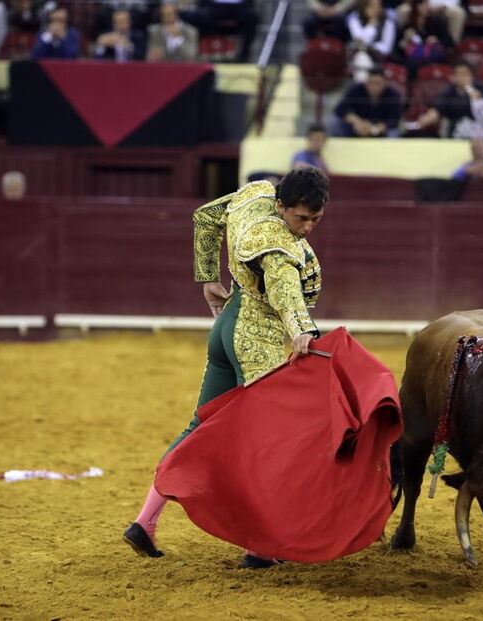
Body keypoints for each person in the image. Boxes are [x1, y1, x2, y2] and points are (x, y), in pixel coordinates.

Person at [123, 168, 329, 569]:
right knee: (266, 444)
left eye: (315, 220)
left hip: (225, 329)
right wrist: (302, 330)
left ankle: (144, 522)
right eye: (301, 218)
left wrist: (206, 278)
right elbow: (285, 286)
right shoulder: (278, 242)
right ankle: (257, 548)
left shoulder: (254, 194)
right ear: (282, 206)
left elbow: (205, 217)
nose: (306, 228)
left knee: (200, 427)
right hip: (256, 342)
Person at [416, 62, 483, 138]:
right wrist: (427, 118)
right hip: (456, 133)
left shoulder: (482, 89)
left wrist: (473, 94)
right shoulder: (449, 92)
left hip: (479, 132)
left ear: (471, 76)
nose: (462, 78)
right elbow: (437, 110)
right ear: (454, 77)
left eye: (465, 74)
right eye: (458, 74)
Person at [333, 68, 403, 137]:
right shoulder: (356, 90)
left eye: (378, 83)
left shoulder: (393, 95)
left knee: (393, 133)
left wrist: (374, 129)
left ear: (385, 83)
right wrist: (356, 121)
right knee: (334, 123)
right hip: (358, 127)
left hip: (381, 129)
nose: (374, 87)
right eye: (371, 83)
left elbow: (395, 120)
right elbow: (340, 109)